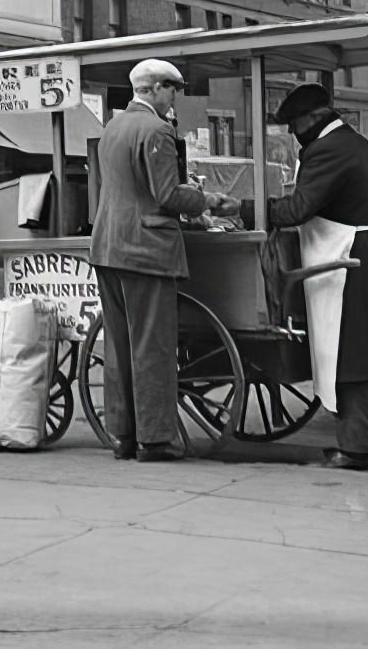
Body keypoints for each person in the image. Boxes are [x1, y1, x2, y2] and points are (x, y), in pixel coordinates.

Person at [90, 59, 238, 463]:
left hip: (108, 247)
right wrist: (209, 201)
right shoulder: (157, 130)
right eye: (174, 88)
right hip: (145, 251)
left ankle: (123, 435)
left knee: (119, 347)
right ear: (154, 88)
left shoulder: (113, 127)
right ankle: (155, 440)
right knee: (152, 347)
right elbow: (167, 195)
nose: (176, 96)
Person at [267, 83, 368, 472]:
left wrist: (253, 209)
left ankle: (356, 449)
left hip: (345, 263)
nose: (294, 132)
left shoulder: (329, 150)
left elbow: (300, 207)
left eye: (295, 124)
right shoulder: (354, 142)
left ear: (315, 118)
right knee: (352, 358)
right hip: (356, 258)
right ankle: (355, 443)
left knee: (350, 360)